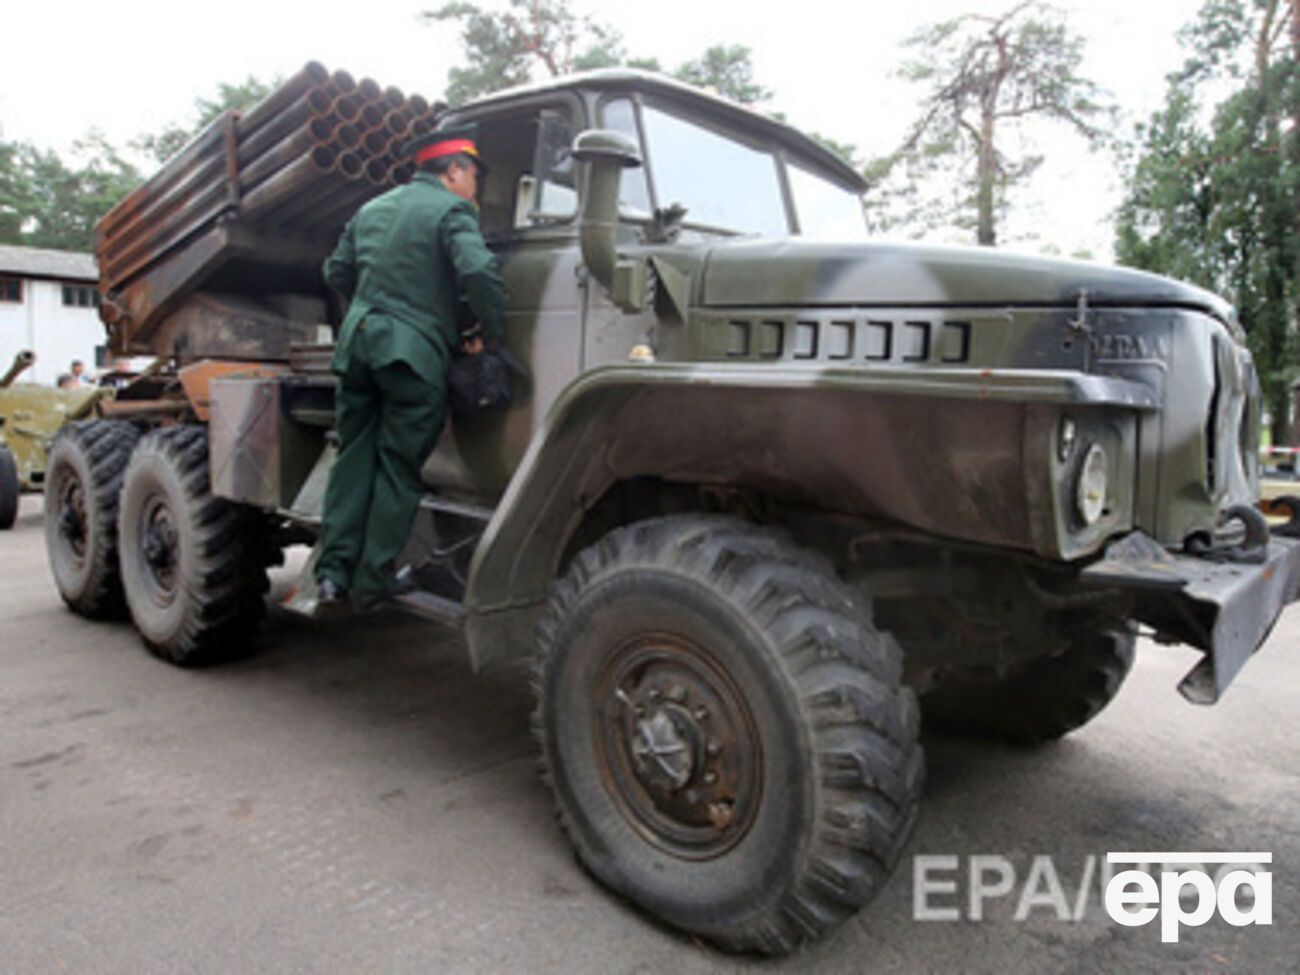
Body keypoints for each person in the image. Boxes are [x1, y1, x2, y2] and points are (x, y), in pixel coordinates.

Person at [315, 125, 506, 611]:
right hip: (411, 355)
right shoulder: (452, 209)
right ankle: (371, 581)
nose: (474, 190)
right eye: (473, 178)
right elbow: (480, 271)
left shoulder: (373, 209)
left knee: (354, 457)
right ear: (455, 170)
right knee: (397, 468)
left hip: (358, 347)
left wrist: (376, 298)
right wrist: (491, 333)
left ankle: (332, 574)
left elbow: (336, 271)